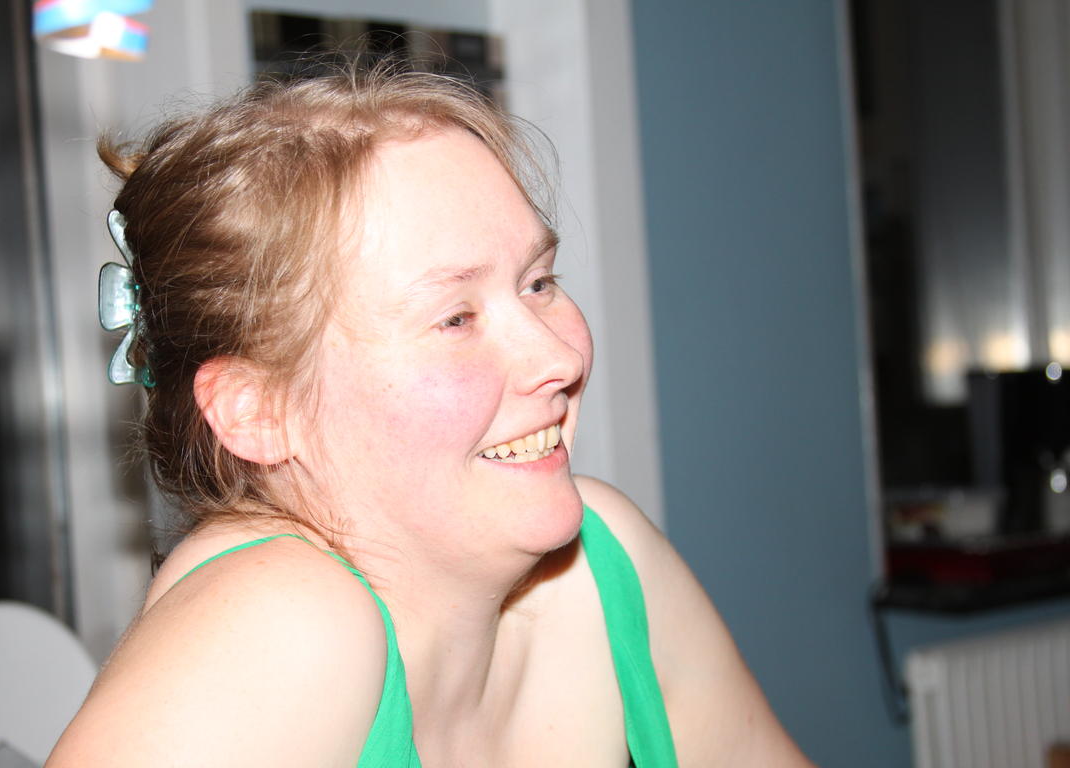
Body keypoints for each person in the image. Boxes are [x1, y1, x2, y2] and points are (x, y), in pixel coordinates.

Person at [47, 61, 813, 767]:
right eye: (455, 318)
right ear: (260, 411)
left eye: (539, 282)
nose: (559, 357)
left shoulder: (608, 564)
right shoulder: (275, 623)